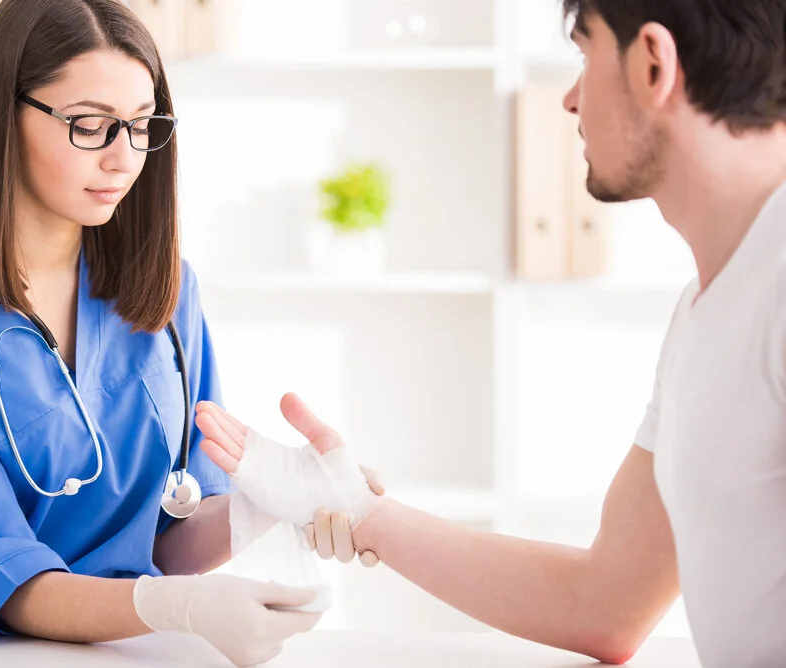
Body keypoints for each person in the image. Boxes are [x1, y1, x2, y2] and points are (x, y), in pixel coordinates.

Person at [194, 2, 786, 667]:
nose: (569, 99)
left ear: (653, 65)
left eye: (586, 56)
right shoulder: (706, 308)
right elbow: (605, 604)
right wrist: (356, 509)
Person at [0, 1, 319, 665]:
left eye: (140, 125)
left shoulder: (163, 293)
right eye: (90, 126)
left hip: (114, 649)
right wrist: (172, 607)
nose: (123, 159)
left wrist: (276, 499)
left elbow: (166, 538)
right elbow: (0, 588)